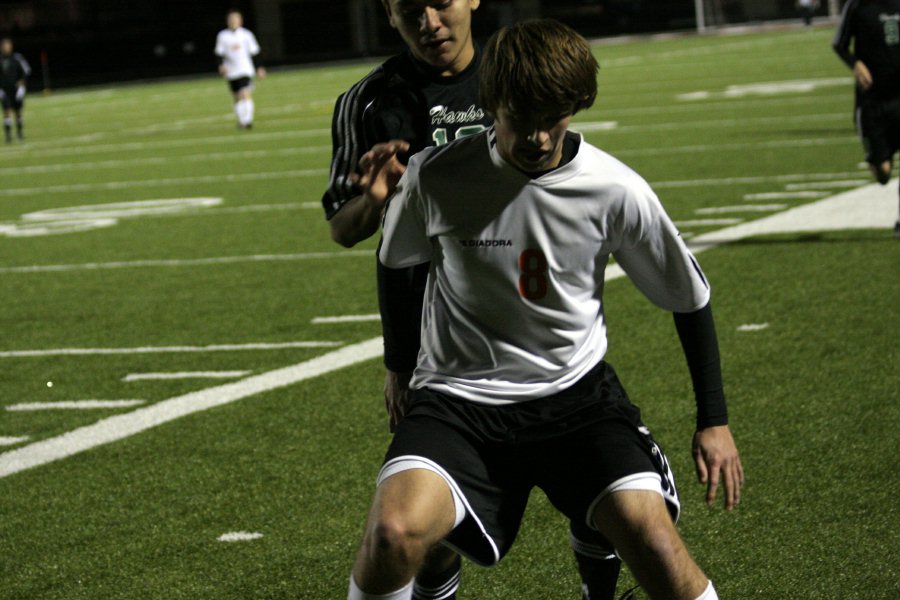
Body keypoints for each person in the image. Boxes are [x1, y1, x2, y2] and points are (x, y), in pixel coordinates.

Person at [349, 19, 744, 600]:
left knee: (657, 546)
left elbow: (688, 296)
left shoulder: (615, 189)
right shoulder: (438, 177)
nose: (537, 137)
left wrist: (714, 420)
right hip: (459, 404)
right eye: (521, 119)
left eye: (552, 118)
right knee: (391, 534)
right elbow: (394, 260)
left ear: (577, 104)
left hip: (577, 402)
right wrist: (398, 366)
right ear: (491, 104)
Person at [325, 3, 629, 599]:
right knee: (430, 516)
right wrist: (375, 199)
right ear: (390, 13)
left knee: (594, 479)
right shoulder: (368, 100)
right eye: (410, 9)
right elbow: (345, 226)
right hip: (446, 344)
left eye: (440, 2)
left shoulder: (517, 69)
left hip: (545, 316)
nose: (429, 20)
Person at [833, 0, 900, 237]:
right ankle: (881, 165)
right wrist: (855, 64)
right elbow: (839, 44)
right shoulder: (857, 6)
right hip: (872, 102)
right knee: (882, 171)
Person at [215, 9, 265, 130]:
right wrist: (221, 65)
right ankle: (242, 121)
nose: (233, 21)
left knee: (245, 93)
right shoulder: (222, 35)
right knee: (236, 97)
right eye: (231, 19)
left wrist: (259, 68)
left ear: (240, 20)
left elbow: (255, 52)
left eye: (235, 18)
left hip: (245, 69)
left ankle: (247, 121)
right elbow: (219, 53)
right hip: (231, 71)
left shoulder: (246, 34)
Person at [0, 38, 30, 143]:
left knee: (18, 112)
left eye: (7, 45)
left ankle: (20, 133)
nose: (6, 48)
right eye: (4, 46)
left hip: (16, 90)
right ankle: (8, 136)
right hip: (4, 90)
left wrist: (22, 85)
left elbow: (26, 71)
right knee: (7, 112)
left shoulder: (17, 58)